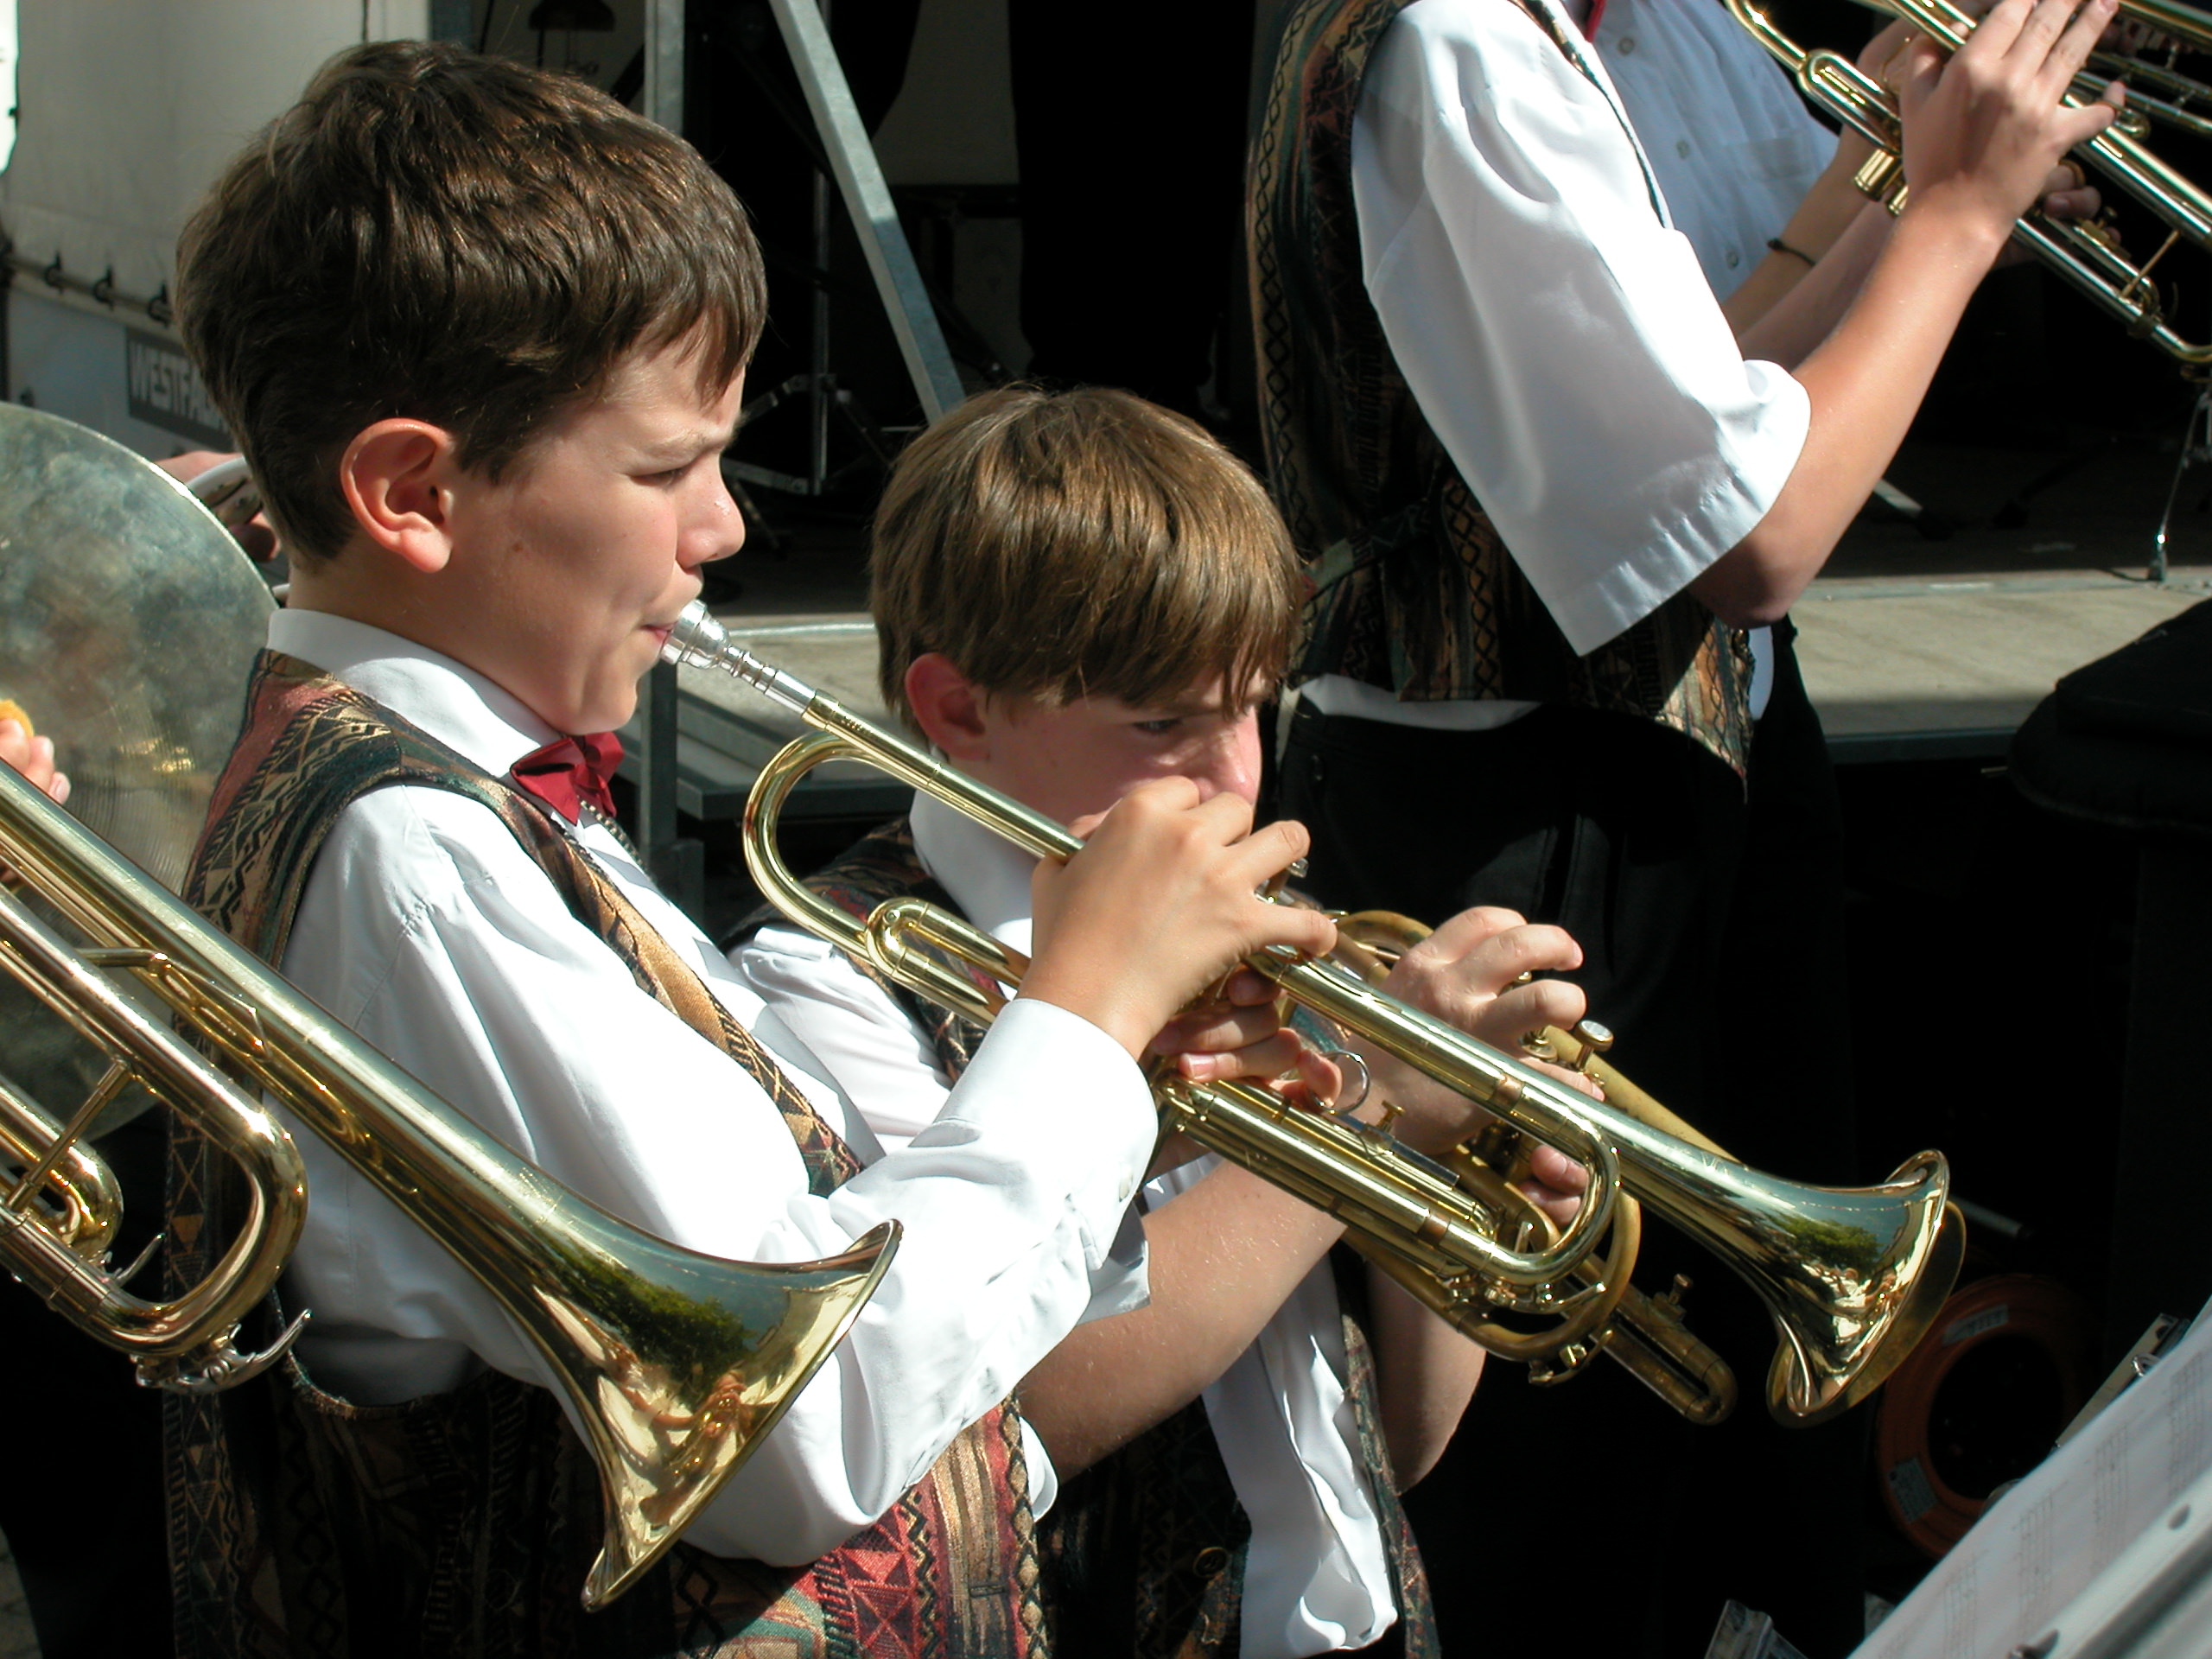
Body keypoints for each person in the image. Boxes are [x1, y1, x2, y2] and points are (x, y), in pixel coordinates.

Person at [165, 40, 1341, 1658]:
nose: (724, 527)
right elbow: (792, 1424)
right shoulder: (418, 861)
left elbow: (797, 1231)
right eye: (668, 469)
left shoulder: (454, 804)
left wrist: (1124, 1096)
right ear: (410, 492)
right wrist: (1080, 1027)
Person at [1249, 0, 2120, 1652]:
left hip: (1594, 768)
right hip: (1521, 792)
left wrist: (1894, 194)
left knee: (1664, 1480)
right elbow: (1758, 540)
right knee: (1560, 1497)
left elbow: (1699, 421)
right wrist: (1956, 213)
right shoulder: (1456, 42)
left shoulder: (1486, 33)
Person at [737, 383, 1594, 1658]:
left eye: (1254, 706)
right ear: (958, 710)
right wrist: (1370, 1117)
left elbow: (1393, 1449)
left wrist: (1450, 1175)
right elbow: (1017, 1415)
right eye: (1163, 722)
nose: (1236, 772)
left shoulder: (1281, 929)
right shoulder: (834, 986)